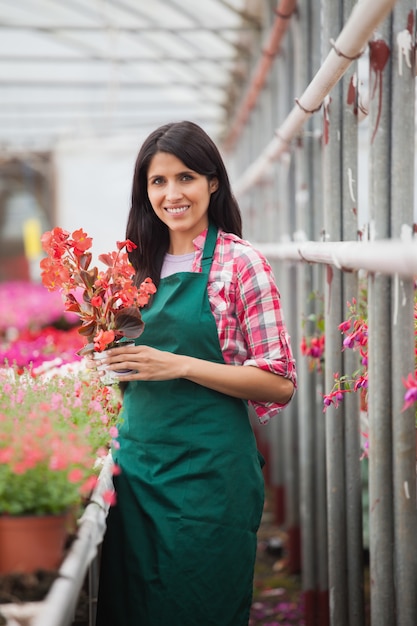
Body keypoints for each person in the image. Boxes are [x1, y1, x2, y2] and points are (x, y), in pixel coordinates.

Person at [95, 120, 297, 626]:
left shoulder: (241, 263)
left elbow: (279, 382)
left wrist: (179, 364)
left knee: (202, 607)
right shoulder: (130, 269)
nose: (171, 194)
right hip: (137, 473)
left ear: (212, 182)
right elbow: (122, 369)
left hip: (211, 478)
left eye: (185, 177)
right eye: (158, 181)